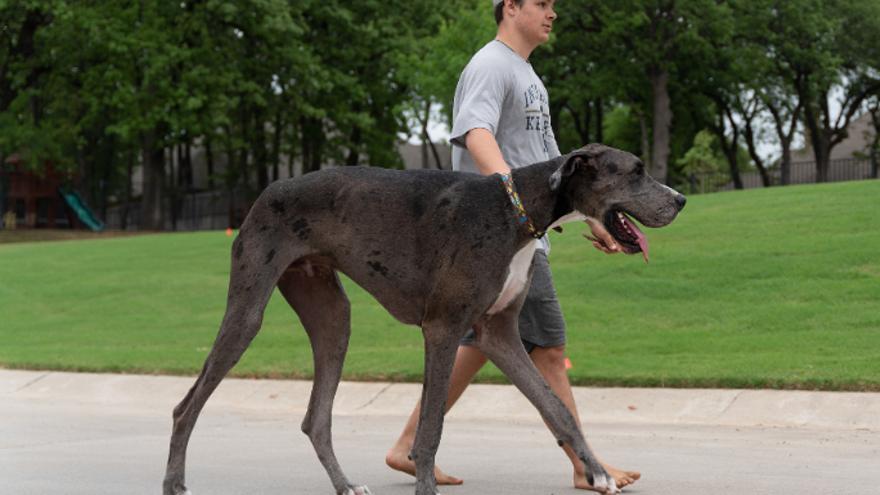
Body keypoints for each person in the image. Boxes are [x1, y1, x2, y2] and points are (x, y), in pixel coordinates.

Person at [385, 0, 641, 491]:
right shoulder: (490, 64)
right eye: (541, 3)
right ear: (510, 7)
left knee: (483, 341)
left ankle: (410, 445)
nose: (553, 13)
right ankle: (586, 465)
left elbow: (551, 165)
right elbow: (476, 132)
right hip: (500, 234)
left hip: (521, 232)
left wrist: (596, 216)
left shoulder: (526, 74)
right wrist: (515, 202)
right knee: (548, 346)